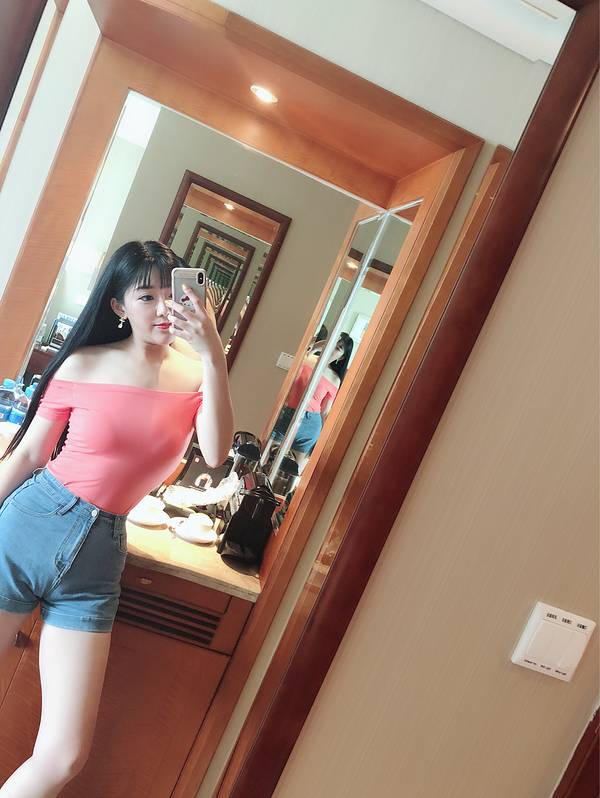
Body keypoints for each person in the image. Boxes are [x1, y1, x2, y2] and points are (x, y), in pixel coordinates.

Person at [0, 241, 233, 796]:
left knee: (65, 755)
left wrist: (214, 355)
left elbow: (217, 451)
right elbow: (30, 455)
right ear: (118, 306)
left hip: (99, 559)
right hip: (28, 528)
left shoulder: (196, 374)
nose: (162, 307)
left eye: (171, 294)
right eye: (145, 296)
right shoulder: (83, 364)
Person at [270, 332, 354, 470]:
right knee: (266, 457)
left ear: (342, 357)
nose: (333, 348)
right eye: (332, 342)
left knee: (291, 470)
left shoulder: (335, 379)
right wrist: (315, 347)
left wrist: (322, 440)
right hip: (287, 415)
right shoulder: (307, 359)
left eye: (338, 348)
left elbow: (325, 411)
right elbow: (295, 359)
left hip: (311, 425)